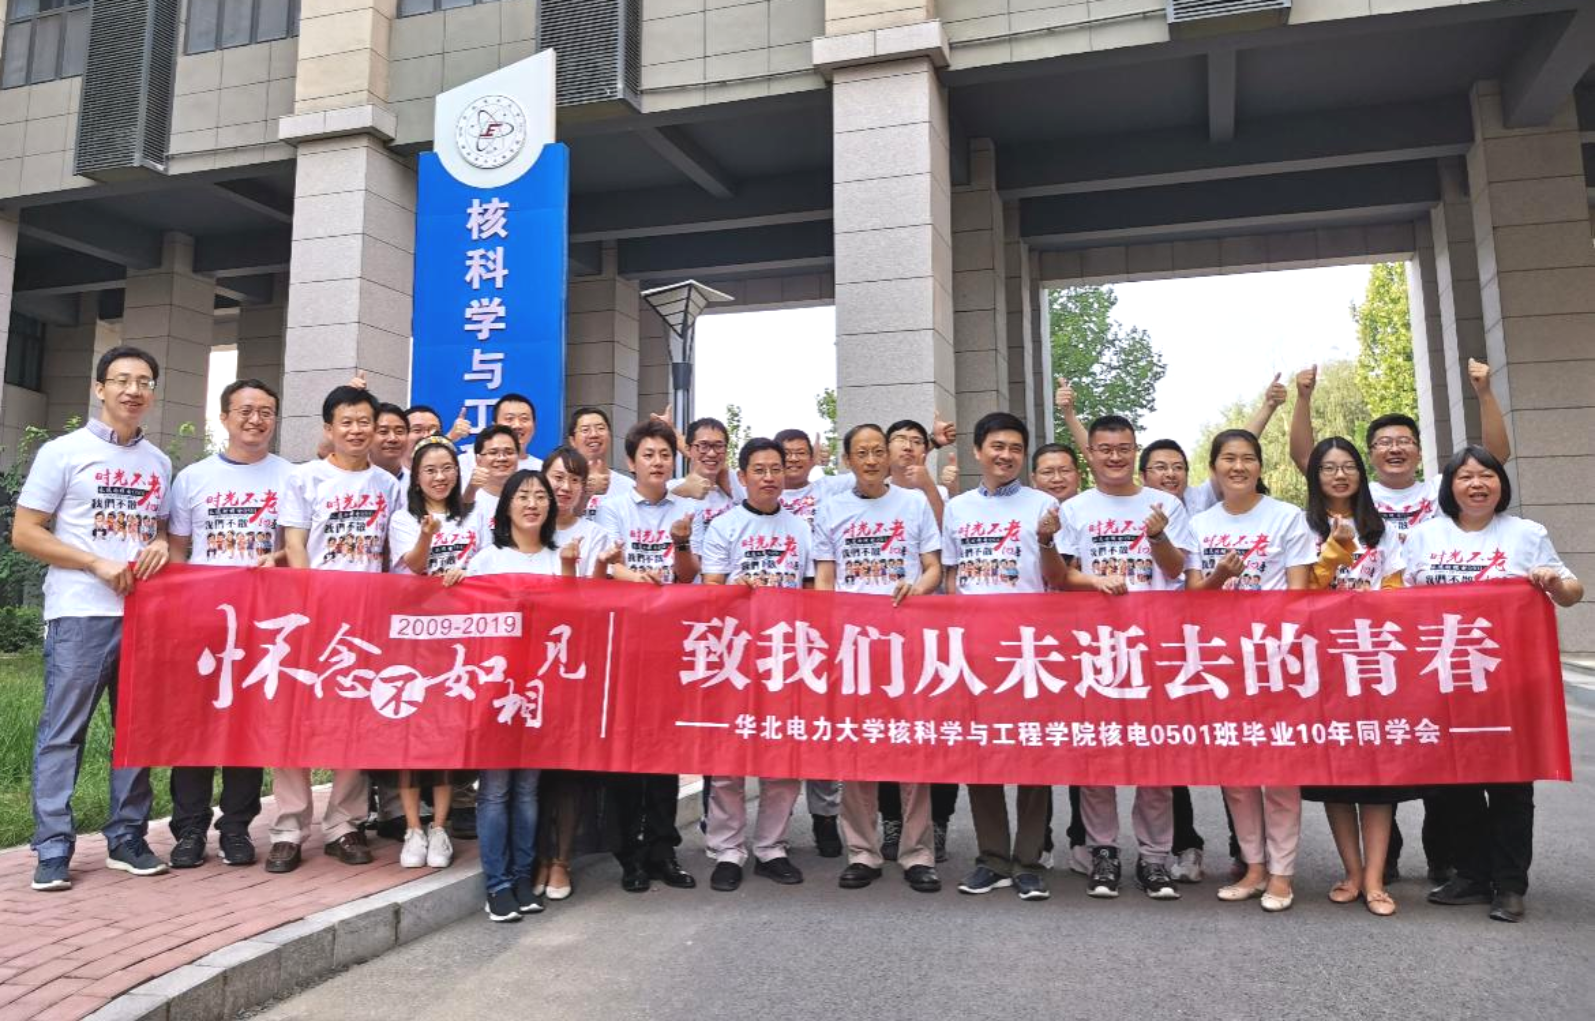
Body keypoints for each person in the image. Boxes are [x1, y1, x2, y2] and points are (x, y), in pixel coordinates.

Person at [14, 346, 174, 890]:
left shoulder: (159, 462)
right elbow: (25, 532)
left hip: (145, 615)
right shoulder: (63, 452)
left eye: (144, 381)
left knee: (135, 732)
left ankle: (127, 837)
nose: (133, 390)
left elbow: (160, 529)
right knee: (64, 731)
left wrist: (158, 543)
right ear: (99, 388)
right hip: (80, 612)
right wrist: (93, 562)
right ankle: (53, 846)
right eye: (122, 380)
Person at [1409, 445, 1583, 924]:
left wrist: (1552, 583)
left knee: (1510, 784)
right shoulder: (1423, 537)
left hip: (1511, 682)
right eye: (1465, 476)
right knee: (1455, 783)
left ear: (1500, 484)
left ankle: (1509, 885)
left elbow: (1573, 592)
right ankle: (1472, 875)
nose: (1476, 484)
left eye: (1486, 475)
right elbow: (1402, 601)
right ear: (1450, 486)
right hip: (1446, 681)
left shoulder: (1526, 533)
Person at [1056, 415, 1197, 902]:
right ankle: (1103, 851)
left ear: (1134, 451)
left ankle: (1154, 857)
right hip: (1095, 647)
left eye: (1123, 448)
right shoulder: (1074, 508)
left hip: (1154, 645)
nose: (1114, 457)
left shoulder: (1166, 505)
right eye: (1104, 449)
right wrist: (1095, 581)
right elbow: (1061, 576)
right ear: (1090, 454)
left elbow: (1178, 571)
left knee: (1153, 754)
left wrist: (1158, 538)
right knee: (1099, 753)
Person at [268, 384, 404, 873]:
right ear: (329, 428)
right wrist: (312, 606)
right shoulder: (304, 478)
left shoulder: (388, 485)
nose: (357, 430)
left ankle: (343, 824)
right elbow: (295, 545)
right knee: (294, 721)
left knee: (353, 723)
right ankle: (288, 827)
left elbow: (391, 553)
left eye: (365, 421)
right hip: (312, 618)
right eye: (346, 421)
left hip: (366, 620)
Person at [443, 470, 584, 921]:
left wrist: (570, 571)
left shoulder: (558, 557)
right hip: (495, 692)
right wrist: (455, 582)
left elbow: (573, 618)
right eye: (522, 496)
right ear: (506, 507)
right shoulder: (487, 560)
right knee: (495, 791)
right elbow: (464, 621)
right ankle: (497, 884)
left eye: (540, 496)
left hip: (542, 692)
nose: (532, 503)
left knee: (527, 791)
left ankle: (523, 877)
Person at [164, 378, 293, 870]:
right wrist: (179, 613)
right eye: (245, 410)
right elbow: (177, 550)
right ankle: (189, 828)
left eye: (266, 411)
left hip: (263, 622)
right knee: (194, 727)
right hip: (203, 622)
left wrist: (275, 560)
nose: (256, 420)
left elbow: (298, 547)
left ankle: (236, 827)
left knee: (247, 727)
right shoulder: (192, 478)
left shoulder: (290, 477)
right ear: (224, 417)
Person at [813, 424, 943, 894]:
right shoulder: (831, 509)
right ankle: (862, 852)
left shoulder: (913, 503)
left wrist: (918, 590)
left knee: (912, 749)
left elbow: (933, 567)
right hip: (853, 646)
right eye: (861, 453)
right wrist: (829, 631)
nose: (870, 460)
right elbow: (824, 577)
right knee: (857, 748)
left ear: (888, 456)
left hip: (906, 643)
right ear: (847, 460)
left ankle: (917, 854)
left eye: (876, 451)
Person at [944, 412, 1067, 901]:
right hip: (975, 650)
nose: (1007, 455)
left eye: (1016, 448)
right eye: (997, 446)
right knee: (982, 754)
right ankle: (992, 858)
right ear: (978, 451)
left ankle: (1029, 861)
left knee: (1033, 753)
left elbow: (1057, 578)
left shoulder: (1044, 505)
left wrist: (1048, 539)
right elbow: (952, 577)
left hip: (1029, 649)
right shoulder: (958, 508)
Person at [1191, 429, 1315, 912]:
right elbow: (1193, 597)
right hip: (1220, 663)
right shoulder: (1199, 524)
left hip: (1275, 660)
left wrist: (1275, 642)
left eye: (1247, 458)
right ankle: (1254, 866)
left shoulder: (1286, 517)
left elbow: (1299, 594)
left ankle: (1282, 873)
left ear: (1260, 466)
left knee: (1279, 772)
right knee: (1237, 772)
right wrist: (1221, 576)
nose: (1238, 467)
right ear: (1214, 468)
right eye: (1228, 458)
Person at [1295, 437, 1411, 916]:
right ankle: (1352, 871)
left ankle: (1376, 878)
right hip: (1324, 666)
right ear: (1315, 476)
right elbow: (1301, 594)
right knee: (1337, 777)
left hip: (1374, 663)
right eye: (1328, 468)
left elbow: (1397, 590)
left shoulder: (1382, 530)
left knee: (1378, 779)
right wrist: (1333, 550)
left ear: (1360, 475)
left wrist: (1374, 604)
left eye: (1348, 467)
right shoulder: (1301, 527)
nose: (1339, 475)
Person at [699, 438, 817, 891]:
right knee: (728, 760)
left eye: (776, 469)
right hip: (735, 656)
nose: (769, 477)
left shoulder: (801, 527)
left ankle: (772, 847)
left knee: (782, 757)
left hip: (787, 655)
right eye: (760, 470)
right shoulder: (724, 525)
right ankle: (727, 850)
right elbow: (710, 590)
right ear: (743, 475)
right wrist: (736, 589)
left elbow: (813, 591)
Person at [595, 419, 698, 891]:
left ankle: (662, 850)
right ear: (631, 462)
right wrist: (635, 577)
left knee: (664, 752)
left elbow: (689, 575)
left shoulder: (688, 509)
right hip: (625, 642)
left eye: (664, 455)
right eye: (648, 455)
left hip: (671, 642)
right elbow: (608, 566)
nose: (658, 463)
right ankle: (628, 853)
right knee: (626, 752)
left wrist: (680, 542)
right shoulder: (612, 509)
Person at [383, 436, 483, 870]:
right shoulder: (403, 518)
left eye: (447, 469)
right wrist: (427, 535)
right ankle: (413, 827)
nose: (440, 477)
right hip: (413, 639)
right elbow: (416, 566)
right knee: (410, 734)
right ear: (417, 478)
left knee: (445, 736)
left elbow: (488, 564)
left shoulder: (475, 516)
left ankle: (440, 827)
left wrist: (467, 572)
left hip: (460, 640)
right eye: (430, 470)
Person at [532, 444, 611, 901]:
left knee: (568, 769)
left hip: (577, 665)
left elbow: (599, 600)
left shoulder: (595, 535)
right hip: (526, 667)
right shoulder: (524, 528)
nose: (564, 487)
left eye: (574, 480)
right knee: (531, 772)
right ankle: (536, 857)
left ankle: (561, 860)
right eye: (558, 477)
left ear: (585, 490)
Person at [1057, 373, 1287, 513]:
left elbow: (1236, 450)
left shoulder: (1199, 499)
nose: (1170, 474)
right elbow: (1098, 456)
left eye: (1178, 467)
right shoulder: (1132, 501)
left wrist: (1268, 407)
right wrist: (1069, 414)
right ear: (1143, 475)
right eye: (1160, 467)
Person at [458, 393, 543, 497]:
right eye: (509, 419)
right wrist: (451, 437)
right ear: (494, 425)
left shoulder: (541, 469)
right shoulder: (465, 462)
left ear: (534, 425)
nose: (517, 425)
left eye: (524, 419)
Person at [569, 406, 632, 519]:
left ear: (610, 435)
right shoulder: (563, 485)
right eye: (585, 430)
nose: (594, 434)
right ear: (572, 441)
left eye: (600, 428)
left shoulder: (628, 487)